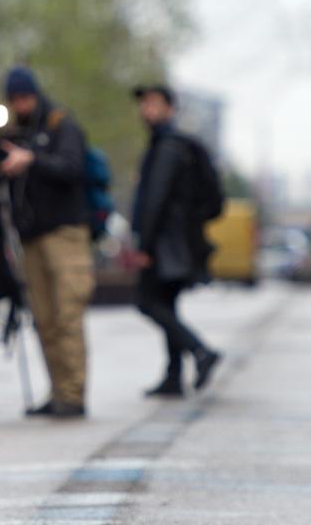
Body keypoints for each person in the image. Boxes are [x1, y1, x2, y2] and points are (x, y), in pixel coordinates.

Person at [0, 66, 95, 419]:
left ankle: (73, 394)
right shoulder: (17, 131)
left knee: (67, 314)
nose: (20, 105)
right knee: (45, 318)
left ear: (34, 94)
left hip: (65, 233)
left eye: (24, 97)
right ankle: (57, 391)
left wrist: (32, 159)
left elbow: (72, 167)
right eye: (14, 99)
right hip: (32, 237)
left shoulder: (60, 125)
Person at [130, 84, 222, 397]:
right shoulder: (171, 145)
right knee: (166, 303)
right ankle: (173, 376)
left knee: (148, 303)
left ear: (170, 108)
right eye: (144, 104)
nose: (147, 110)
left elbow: (155, 198)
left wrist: (144, 246)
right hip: (177, 242)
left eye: (154, 103)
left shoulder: (167, 148)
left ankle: (201, 351)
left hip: (165, 243)